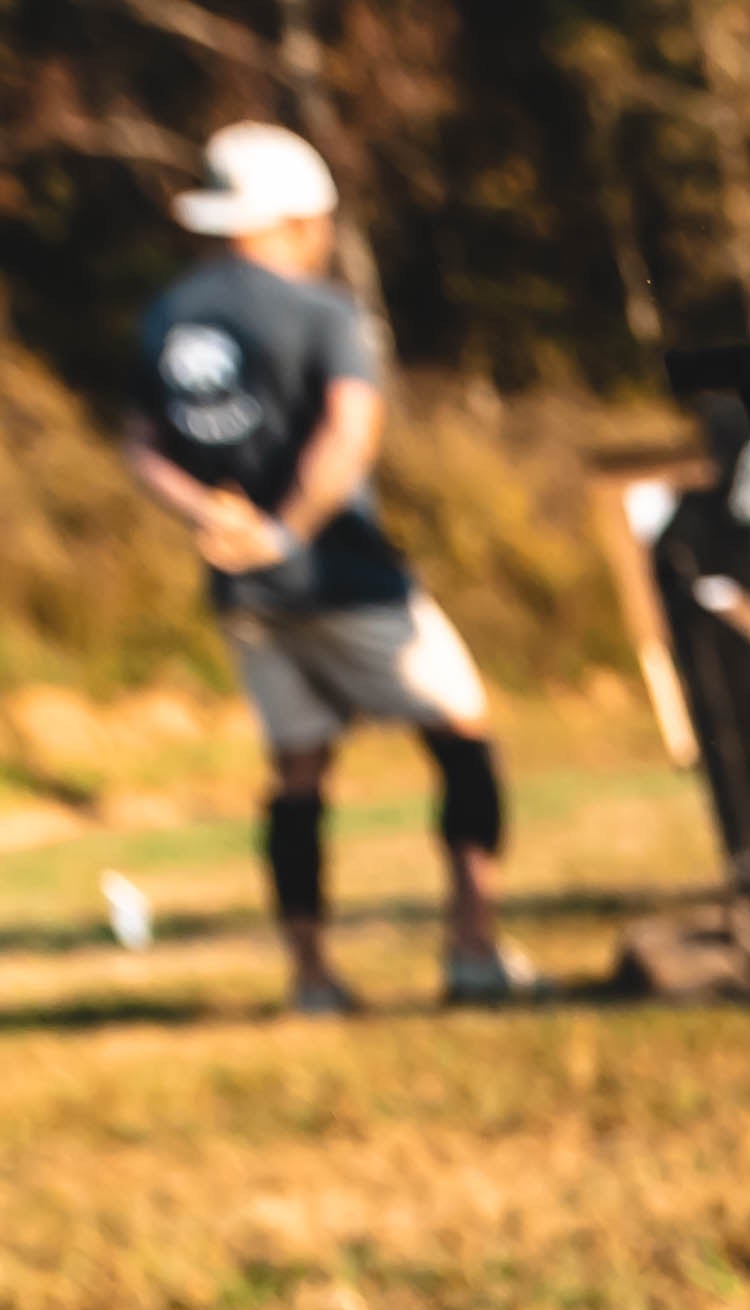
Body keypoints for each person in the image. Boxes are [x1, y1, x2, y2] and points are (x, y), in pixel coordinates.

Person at [119, 123, 533, 1015]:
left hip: (242, 592)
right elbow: (349, 435)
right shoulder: (320, 312)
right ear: (298, 219)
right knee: (463, 731)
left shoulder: (167, 314)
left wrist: (211, 518)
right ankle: (472, 949)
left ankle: (312, 979)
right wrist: (287, 528)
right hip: (343, 574)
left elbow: (144, 448)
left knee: (298, 774)